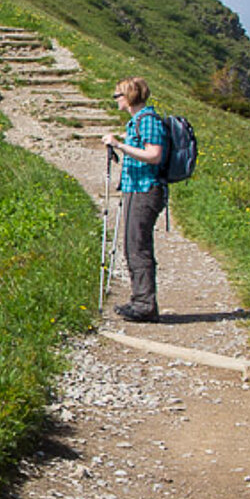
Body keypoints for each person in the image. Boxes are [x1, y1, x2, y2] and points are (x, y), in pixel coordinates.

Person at [102, 77, 165, 322]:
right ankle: (141, 301)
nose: (115, 100)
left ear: (129, 97)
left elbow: (154, 154)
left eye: (117, 95)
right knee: (134, 244)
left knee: (137, 245)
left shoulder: (146, 121)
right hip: (137, 189)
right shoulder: (138, 121)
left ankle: (144, 305)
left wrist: (120, 145)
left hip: (144, 189)